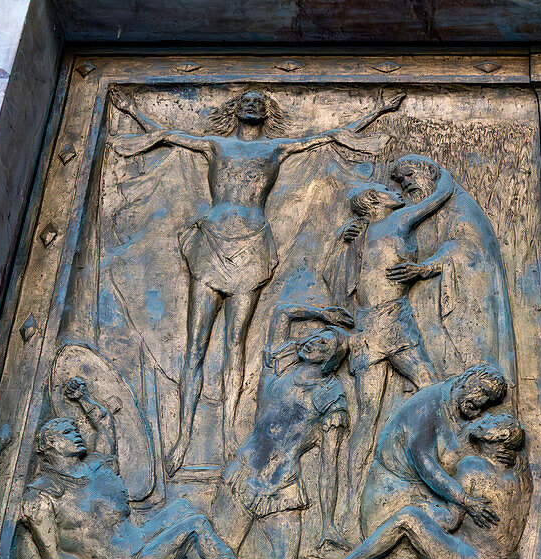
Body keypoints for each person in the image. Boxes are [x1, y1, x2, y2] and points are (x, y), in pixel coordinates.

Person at [108, 88, 404, 474]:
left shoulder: (277, 149)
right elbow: (165, 134)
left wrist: (378, 108)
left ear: (268, 111)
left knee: (235, 342)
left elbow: (333, 134)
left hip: (251, 246)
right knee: (195, 348)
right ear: (234, 108)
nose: (251, 104)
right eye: (245, 99)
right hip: (211, 243)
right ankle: (182, 436)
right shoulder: (215, 145)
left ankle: (231, 432)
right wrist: (131, 108)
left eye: (259, 101)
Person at [19, 378, 288, 559]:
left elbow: (103, 422)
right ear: (47, 444)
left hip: (139, 542)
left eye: (75, 430)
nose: (76, 435)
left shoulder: (99, 467)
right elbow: (53, 558)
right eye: (66, 433)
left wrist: (83, 399)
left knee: (184, 507)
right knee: (194, 526)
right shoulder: (42, 495)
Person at [287, 412, 530, 559]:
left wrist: (423, 506)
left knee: (407, 518)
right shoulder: (522, 474)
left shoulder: (473, 467)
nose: (485, 419)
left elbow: (449, 520)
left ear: (497, 437)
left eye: (493, 420)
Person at [336, 168, 456, 512]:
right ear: (374, 201)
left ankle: (350, 499)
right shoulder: (399, 220)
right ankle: (441, 475)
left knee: (366, 417)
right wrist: (440, 174)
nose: (396, 192)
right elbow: (439, 196)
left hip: (366, 326)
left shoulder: (363, 234)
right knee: (433, 390)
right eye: (385, 190)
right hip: (391, 321)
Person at [214, 303, 352, 559]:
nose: (312, 342)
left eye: (323, 343)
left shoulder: (331, 396)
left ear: (331, 358)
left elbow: (329, 466)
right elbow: (281, 313)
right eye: (314, 336)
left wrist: (328, 525)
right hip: (243, 476)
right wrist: (323, 314)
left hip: (283, 488)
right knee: (217, 556)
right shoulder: (281, 365)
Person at [384, 154, 517, 383]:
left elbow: (467, 246)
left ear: (430, 173)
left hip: (464, 299)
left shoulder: (459, 204)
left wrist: (424, 267)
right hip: (428, 302)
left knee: (466, 367)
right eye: (401, 181)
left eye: (410, 175)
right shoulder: (421, 209)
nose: (406, 184)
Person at [356, 363, 509, 540]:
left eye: (489, 401)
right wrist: (466, 501)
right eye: (482, 392)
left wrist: (496, 452)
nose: (482, 402)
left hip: (425, 497)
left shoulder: (463, 405)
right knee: (455, 522)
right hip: (392, 500)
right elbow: (425, 462)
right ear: (467, 380)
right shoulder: (428, 405)